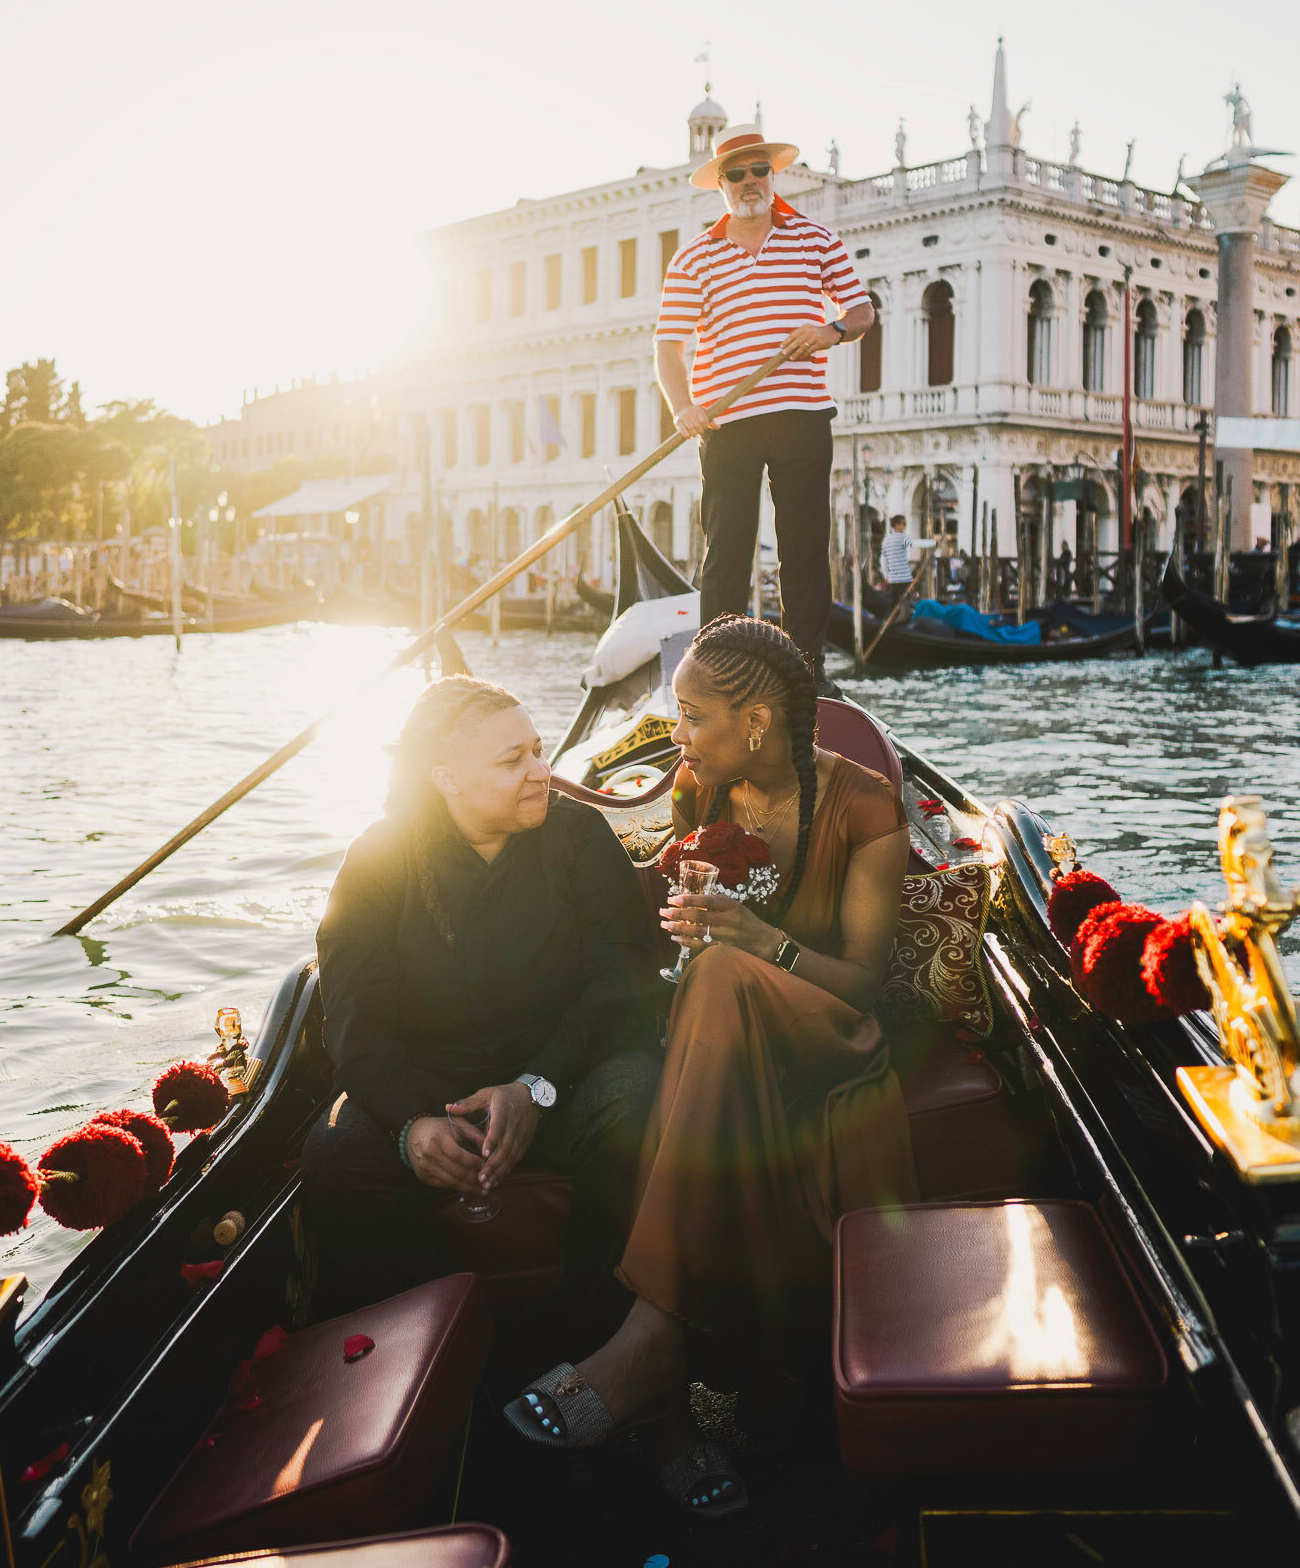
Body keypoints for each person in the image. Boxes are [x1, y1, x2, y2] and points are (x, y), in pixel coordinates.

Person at [505, 617, 916, 1515]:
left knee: (728, 974)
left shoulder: (868, 803)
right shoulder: (700, 787)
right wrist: (688, 921)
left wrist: (763, 944)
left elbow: (864, 987)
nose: (675, 738)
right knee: (713, 981)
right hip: (720, 1025)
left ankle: (652, 1337)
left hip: (830, 1028)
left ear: (758, 723)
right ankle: (662, 1342)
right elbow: (684, 923)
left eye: (690, 716)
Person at [301, 675, 662, 1342]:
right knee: (334, 1151)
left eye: (538, 750)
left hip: (564, 1082)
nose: (540, 771)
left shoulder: (579, 837)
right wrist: (413, 1123)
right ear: (447, 778)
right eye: (512, 760)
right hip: (432, 1094)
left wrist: (535, 1089)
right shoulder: (378, 860)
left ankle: (591, 1342)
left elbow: (622, 986)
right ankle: (456, 1349)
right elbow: (355, 1024)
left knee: (635, 1094)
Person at [653, 122, 874, 697]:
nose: (750, 181)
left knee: (803, 545)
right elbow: (668, 347)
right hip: (726, 422)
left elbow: (860, 311)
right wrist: (684, 409)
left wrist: (828, 330)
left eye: (759, 170)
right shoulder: (694, 259)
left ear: (772, 176)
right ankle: (717, 670)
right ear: (721, 184)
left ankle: (807, 670)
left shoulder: (815, 241)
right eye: (737, 173)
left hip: (801, 411)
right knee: (726, 547)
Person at [879, 513, 913, 607]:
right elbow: (913, 543)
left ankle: (890, 619)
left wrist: (886, 576)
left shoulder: (886, 540)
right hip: (904, 577)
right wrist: (933, 542)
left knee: (894, 602)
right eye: (904, 524)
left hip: (892, 578)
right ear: (897, 525)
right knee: (905, 602)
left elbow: (883, 559)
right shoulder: (903, 537)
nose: (905, 526)